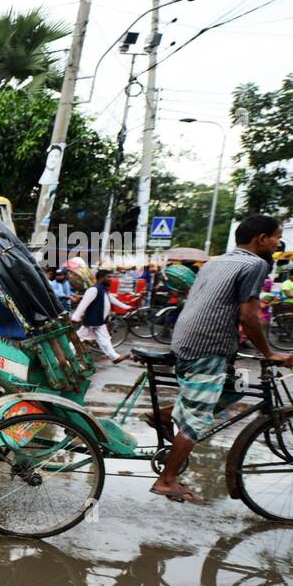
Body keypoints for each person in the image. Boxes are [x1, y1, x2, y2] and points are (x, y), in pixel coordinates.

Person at [150, 215, 293, 506]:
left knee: (236, 387)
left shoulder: (216, 261)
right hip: (207, 346)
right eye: (276, 238)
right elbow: (249, 316)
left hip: (186, 340)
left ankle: (162, 416)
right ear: (261, 239)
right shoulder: (255, 264)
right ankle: (166, 480)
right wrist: (269, 353)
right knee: (195, 420)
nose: (278, 244)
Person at [71, 268, 136, 363]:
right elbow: (83, 304)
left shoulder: (103, 290)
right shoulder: (93, 289)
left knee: (103, 339)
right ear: (101, 278)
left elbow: (113, 300)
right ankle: (64, 357)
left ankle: (114, 357)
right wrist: (75, 317)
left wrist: (126, 307)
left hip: (98, 321)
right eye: (108, 277)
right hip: (92, 320)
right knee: (78, 339)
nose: (111, 279)